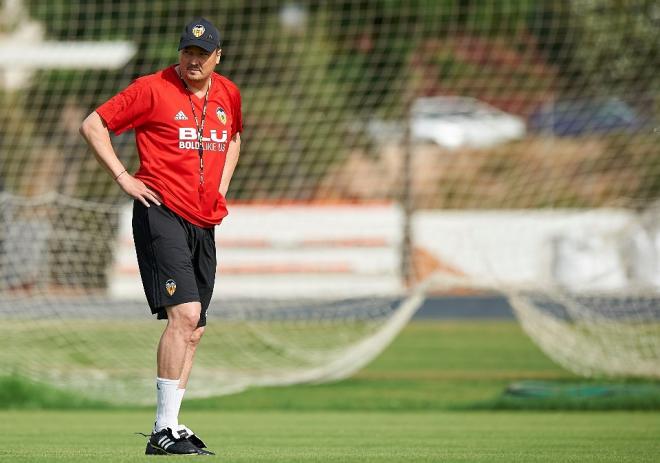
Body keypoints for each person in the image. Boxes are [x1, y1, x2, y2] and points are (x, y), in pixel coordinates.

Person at [80, 17, 242, 456]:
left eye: (202, 53)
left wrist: (220, 189)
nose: (193, 59)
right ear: (180, 53)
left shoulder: (228, 93)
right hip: (160, 211)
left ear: (217, 57)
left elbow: (234, 139)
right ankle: (160, 430)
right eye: (187, 51)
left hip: (205, 221)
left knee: (195, 329)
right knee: (185, 314)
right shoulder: (151, 88)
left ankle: (171, 425)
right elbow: (93, 124)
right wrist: (122, 177)